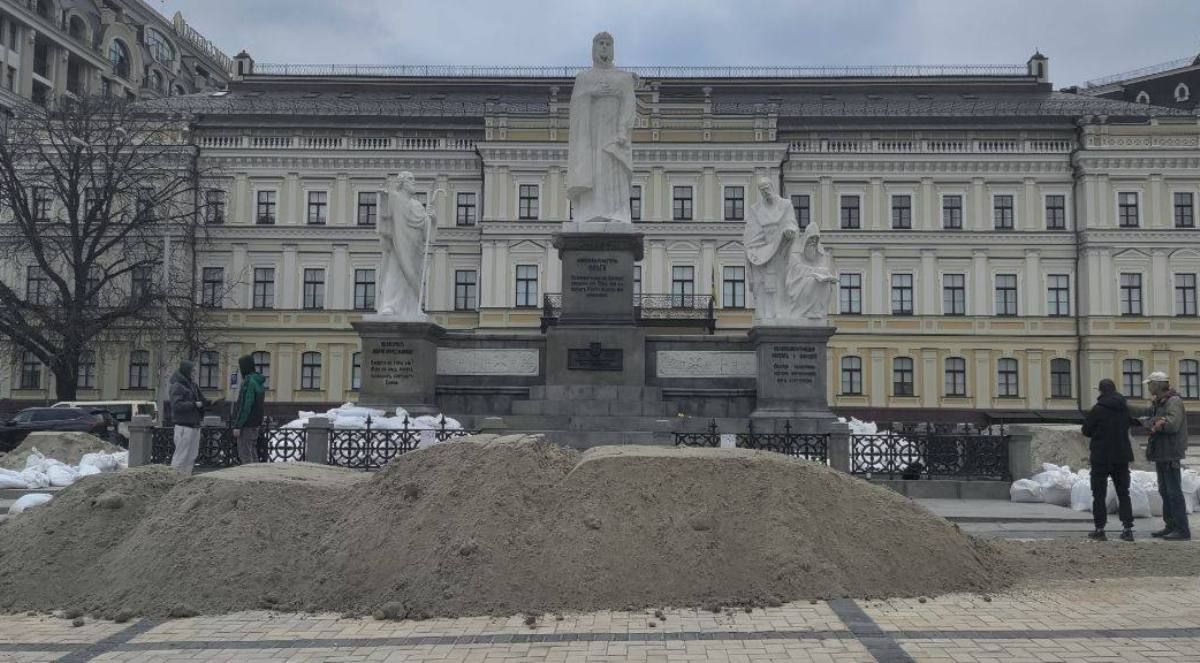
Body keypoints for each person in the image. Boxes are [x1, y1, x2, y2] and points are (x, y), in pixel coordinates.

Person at [566, 31, 638, 224]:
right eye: (600, 43)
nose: (604, 47)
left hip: (613, 136)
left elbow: (629, 104)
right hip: (591, 137)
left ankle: (615, 214)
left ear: (613, 49)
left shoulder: (623, 78)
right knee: (594, 172)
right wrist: (591, 93)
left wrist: (623, 130)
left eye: (608, 44)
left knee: (612, 170)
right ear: (593, 48)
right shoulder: (583, 78)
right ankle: (590, 212)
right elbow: (574, 107)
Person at [1135, 371, 1191, 541]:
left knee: (1174, 492)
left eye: (1150, 384)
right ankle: (1171, 525)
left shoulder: (1173, 402)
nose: (1148, 387)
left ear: (1158, 385)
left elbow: (1172, 425)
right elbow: (1152, 415)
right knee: (1165, 491)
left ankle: (1182, 530)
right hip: (1162, 453)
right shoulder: (1160, 402)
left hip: (1170, 453)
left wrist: (1153, 423)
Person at [1080, 379, 1135, 541]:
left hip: (1101, 457)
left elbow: (1086, 430)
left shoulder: (1098, 409)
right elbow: (1128, 425)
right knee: (1124, 493)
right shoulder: (1124, 408)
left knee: (1099, 494)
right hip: (1121, 456)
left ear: (1101, 391)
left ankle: (1100, 529)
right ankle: (1127, 529)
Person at [743, 177, 799, 321]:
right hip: (762, 249)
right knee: (763, 284)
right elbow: (752, 231)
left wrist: (789, 231)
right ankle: (767, 313)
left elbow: (791, 222)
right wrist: (756, 249)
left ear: (772, 187)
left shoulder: (786, 205)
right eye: (762, 190)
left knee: (780, 281)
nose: (765, 192)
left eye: (767, 188)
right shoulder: (756, 209)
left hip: (781, 248)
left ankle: (779, 312)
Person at [784, 221, 838, 320]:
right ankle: (806, 311)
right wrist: (814, 272)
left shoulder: (820, 256)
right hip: (796, 285)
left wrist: (823, 273)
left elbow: (823, 268)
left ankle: (817, 311)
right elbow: (796, 270)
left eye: (816, 239)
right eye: (811, 238)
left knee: (826, 284)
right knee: (812, 281)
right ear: (806, 239)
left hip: (812, 283)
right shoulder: (796, 254)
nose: (813, 241)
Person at [168, 360, 211, 475]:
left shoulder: (193, 385)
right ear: (186, 371)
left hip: (194, 425)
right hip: (183, 426)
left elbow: (201, 400)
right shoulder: (177, 386)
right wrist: (194, 404)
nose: (194, 373)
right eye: (192, 371)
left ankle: (185, 479)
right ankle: (174, 480)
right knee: (180, 457)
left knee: (192, 456)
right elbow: (176, 405)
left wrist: (209, 403)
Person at [231, 354, 266, 465]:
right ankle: (257, 478)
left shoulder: (248, 382)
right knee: (253, 452)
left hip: (246, 425)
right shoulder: (258, 381)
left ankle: (249, 480)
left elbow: (245, 406)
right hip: (256, 423)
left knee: (245, 454)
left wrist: (238, 425)